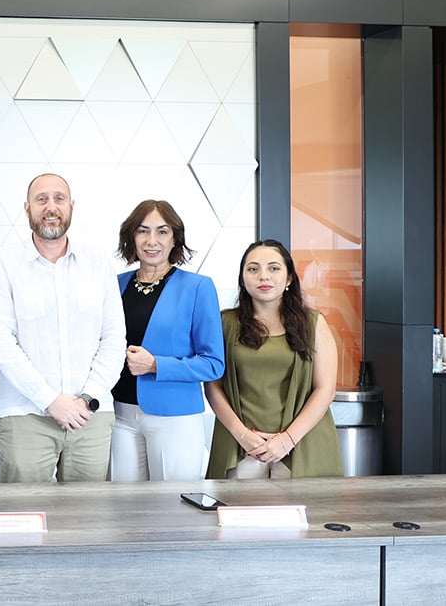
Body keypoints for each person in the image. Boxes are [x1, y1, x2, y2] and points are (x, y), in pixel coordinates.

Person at [0, 173, 126, 483]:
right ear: (27, 208)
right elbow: (1, 342)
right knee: (24, 519)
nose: (51, 206)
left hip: (91, 416)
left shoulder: (97, 262)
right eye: (41, 199)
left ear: (71, 206)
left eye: (59, 198)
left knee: (86, 522)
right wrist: (50, 400)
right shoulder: (4, 263)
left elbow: (114, 338)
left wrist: (87, 398)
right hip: (25, 415)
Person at [205, 240, 342, 478]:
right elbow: (213, 386)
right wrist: (243, 435)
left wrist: (287, 440)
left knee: (305, 514)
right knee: (236, 513)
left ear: (289, 278)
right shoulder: (224, 323)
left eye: (274, 268)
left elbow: (325, 390)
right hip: (241, 447)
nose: (263, 276)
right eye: (253, 269)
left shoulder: (314, 323)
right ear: (242, 278)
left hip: (303, 444)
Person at [109, 200, 224, 481]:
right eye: (142, 231)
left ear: (175, 239)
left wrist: (155, 365)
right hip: (120, 414)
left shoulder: (198, 287)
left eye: (162, 232)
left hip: (175, 417)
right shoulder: (115, 284)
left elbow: (213, 364)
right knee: (123, 510)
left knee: (173, 509)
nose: (152, 241)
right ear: (131, 237)